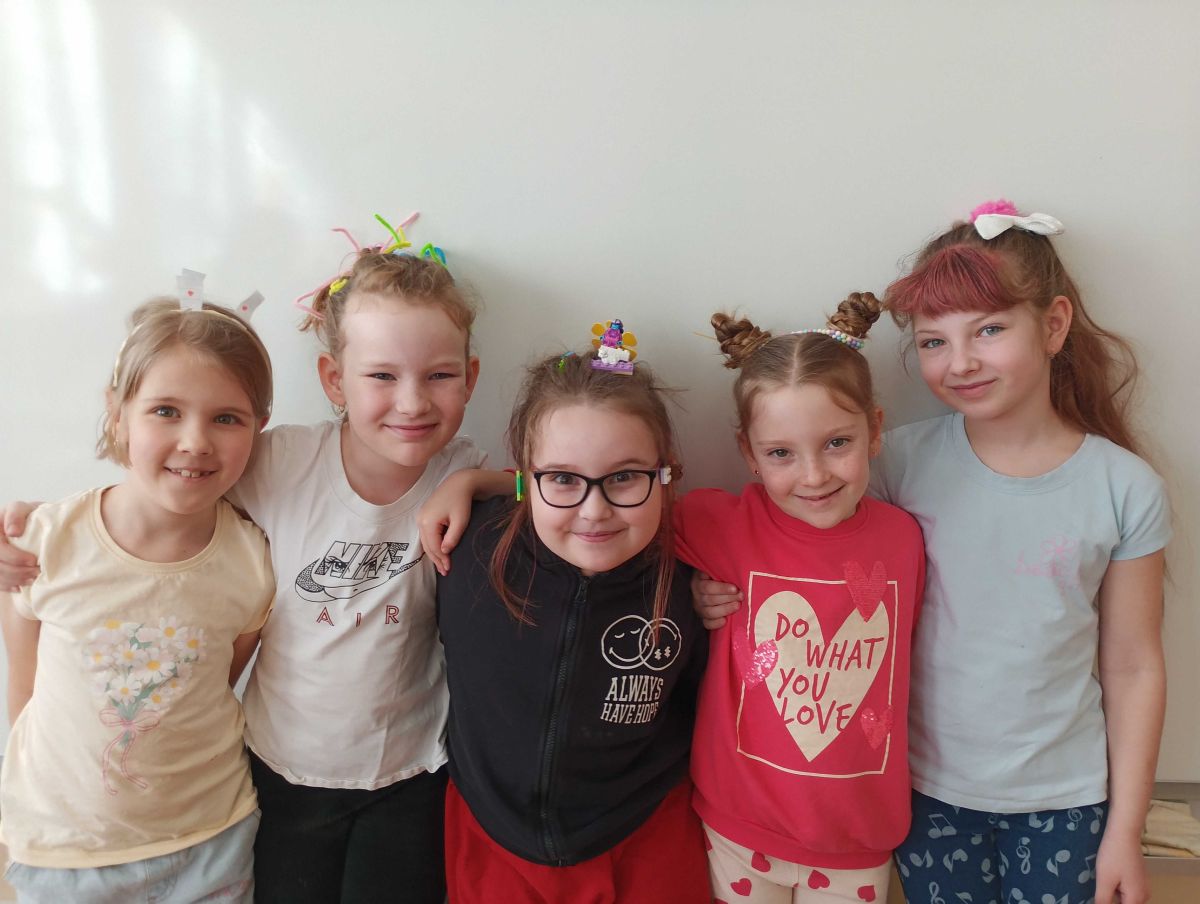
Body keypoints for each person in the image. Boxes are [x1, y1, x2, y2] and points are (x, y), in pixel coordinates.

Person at [700, 201, 1170, 904]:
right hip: (923, 792)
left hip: (1067, 798)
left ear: (1054, 325)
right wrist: (714, 591)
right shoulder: (894, 462)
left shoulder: (1124, 488)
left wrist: (1127, 829)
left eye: (989, 329)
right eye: (932, 341)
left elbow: (1133, 666)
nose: (961, 362)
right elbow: (799, 555)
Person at [0, 230, 486, 903]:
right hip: (272, 773)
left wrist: (477, 483)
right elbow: (169, 485)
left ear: (471, 378)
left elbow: (552, 485)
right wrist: (42, 526)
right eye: (382, 375)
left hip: (400, 773)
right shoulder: (281, 462)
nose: (412, 402)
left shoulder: (460, 467)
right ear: (334, 380)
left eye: (439, 376)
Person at [0, 296, 275, 903]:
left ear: (258, 428)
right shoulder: (45, 540)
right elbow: (24, 694)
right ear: (118, 412)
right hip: (66, 852)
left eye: (227, 418)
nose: (195, 441)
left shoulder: (253, 561)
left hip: (212, 841)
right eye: (165, 411)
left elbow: (215, 683)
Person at [430, 342, 710, 903]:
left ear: (664, 473)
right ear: (524, 478)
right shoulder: (465, 548)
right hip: (493, 837)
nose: (594, 510)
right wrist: (467, 481)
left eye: (624, 477)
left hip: (643, 830)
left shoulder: (697, 572)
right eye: (563, 479)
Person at [675, 296, 924, 903]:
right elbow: (608, 517)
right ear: (748, 454)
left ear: (875, 430)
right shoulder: (719, 525)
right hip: (738, 827)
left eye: (837, 442)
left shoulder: (904, 539)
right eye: (781, 453)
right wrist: (689, 595)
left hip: (857, 836)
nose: (814, 476)